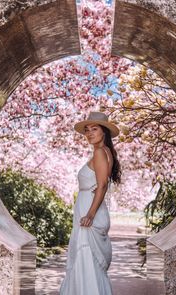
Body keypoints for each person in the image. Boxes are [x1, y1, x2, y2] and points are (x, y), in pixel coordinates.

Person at [59, 111, 122, 295]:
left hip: (90, 214)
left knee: (86, 258)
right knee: (86, 261)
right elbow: (100, 183)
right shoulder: (105, 152)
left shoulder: (99, 153)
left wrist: (90, 214)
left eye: (94, 129)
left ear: (104, 132)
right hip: (91, 209)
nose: (89, 133)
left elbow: (102, 185)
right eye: (87, 130)